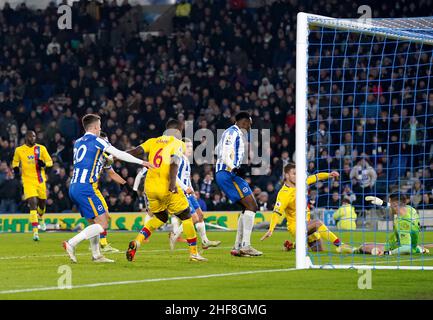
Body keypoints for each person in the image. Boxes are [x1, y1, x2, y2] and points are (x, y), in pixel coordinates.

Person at [63, 114, 151, 263]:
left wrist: (106, 159)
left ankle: (96, 255)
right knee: (103, 223)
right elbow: (120, 154)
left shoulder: (78, 142)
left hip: (74, 186)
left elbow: (94, 159)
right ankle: (71, 243)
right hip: (86, 187)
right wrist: (142, 162)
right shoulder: (98, 141)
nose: (100, 128)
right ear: (96, 127)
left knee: (94, 222)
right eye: (100, 126)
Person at [126, 119, 207, 262]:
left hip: (150, 188)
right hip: (166, 187)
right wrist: (172, 184)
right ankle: (194, 253)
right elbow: (174, 162)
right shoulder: (178, 143)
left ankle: (137, 241)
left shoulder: (153, 141)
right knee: (187, 217)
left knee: (160, 218)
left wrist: (116, 154)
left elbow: (135, 151)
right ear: (177, 131)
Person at [260, 163, 354, 253]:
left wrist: (329, 174)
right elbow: (276, 212)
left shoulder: (302, 183)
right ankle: (340, 245)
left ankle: (291, 245)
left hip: (308, 225)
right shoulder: (284, 193)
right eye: (294, 174)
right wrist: (271, 229)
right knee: (317, 223)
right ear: (287, 175)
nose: (297, 176)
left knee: (319, 250)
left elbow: (316, 177)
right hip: (296, 227)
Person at [215, 111, 262, 257]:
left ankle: (237, 247)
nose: (250, 127)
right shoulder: (232, 132)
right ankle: (245, 245)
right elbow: (223, 153)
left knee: (246, 207)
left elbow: (217, 149)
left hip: (230, 174)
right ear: (245, 121)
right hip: (227, 174)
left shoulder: (234, 133)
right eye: (249, 124)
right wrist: (234, 166)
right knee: (252, 206)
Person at [169, 138, 221, 250]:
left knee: (200, 216)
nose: (190, 149)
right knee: (194, 218)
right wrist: (185, 188)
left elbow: (187, 178)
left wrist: (192, 190)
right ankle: (174, 234)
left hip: (189, 194)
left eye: (191, 147)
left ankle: (205, 242)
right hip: (181, 193)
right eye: (187, 146)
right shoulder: (179, 160)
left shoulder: (186, 160)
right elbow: (174, 177)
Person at [355, 193, 429, 255]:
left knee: (364, 247)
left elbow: (406, 248)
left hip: (397, 246)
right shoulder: (410, 209)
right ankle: (417, 248)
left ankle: (352, 250)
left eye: (390, 203)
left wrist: (387, 252)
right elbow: (396, 205)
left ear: (395, 204)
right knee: (366, 244)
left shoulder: (403, 223)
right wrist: (382, 203)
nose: (390, 207)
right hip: (407, 242)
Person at [12, 131, 53, 241]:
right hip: (28, 181)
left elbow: (50, 161)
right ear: (26, 137)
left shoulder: (41, 149)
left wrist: (44, 164)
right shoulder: (19, 150)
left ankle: (41, 218)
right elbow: (15, 162)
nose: (33, 138)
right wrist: (15, 168)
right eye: (31, 136)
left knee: (42, 205)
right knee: (33, 204)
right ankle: (35, 232)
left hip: (40, 181)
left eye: (34, 136)